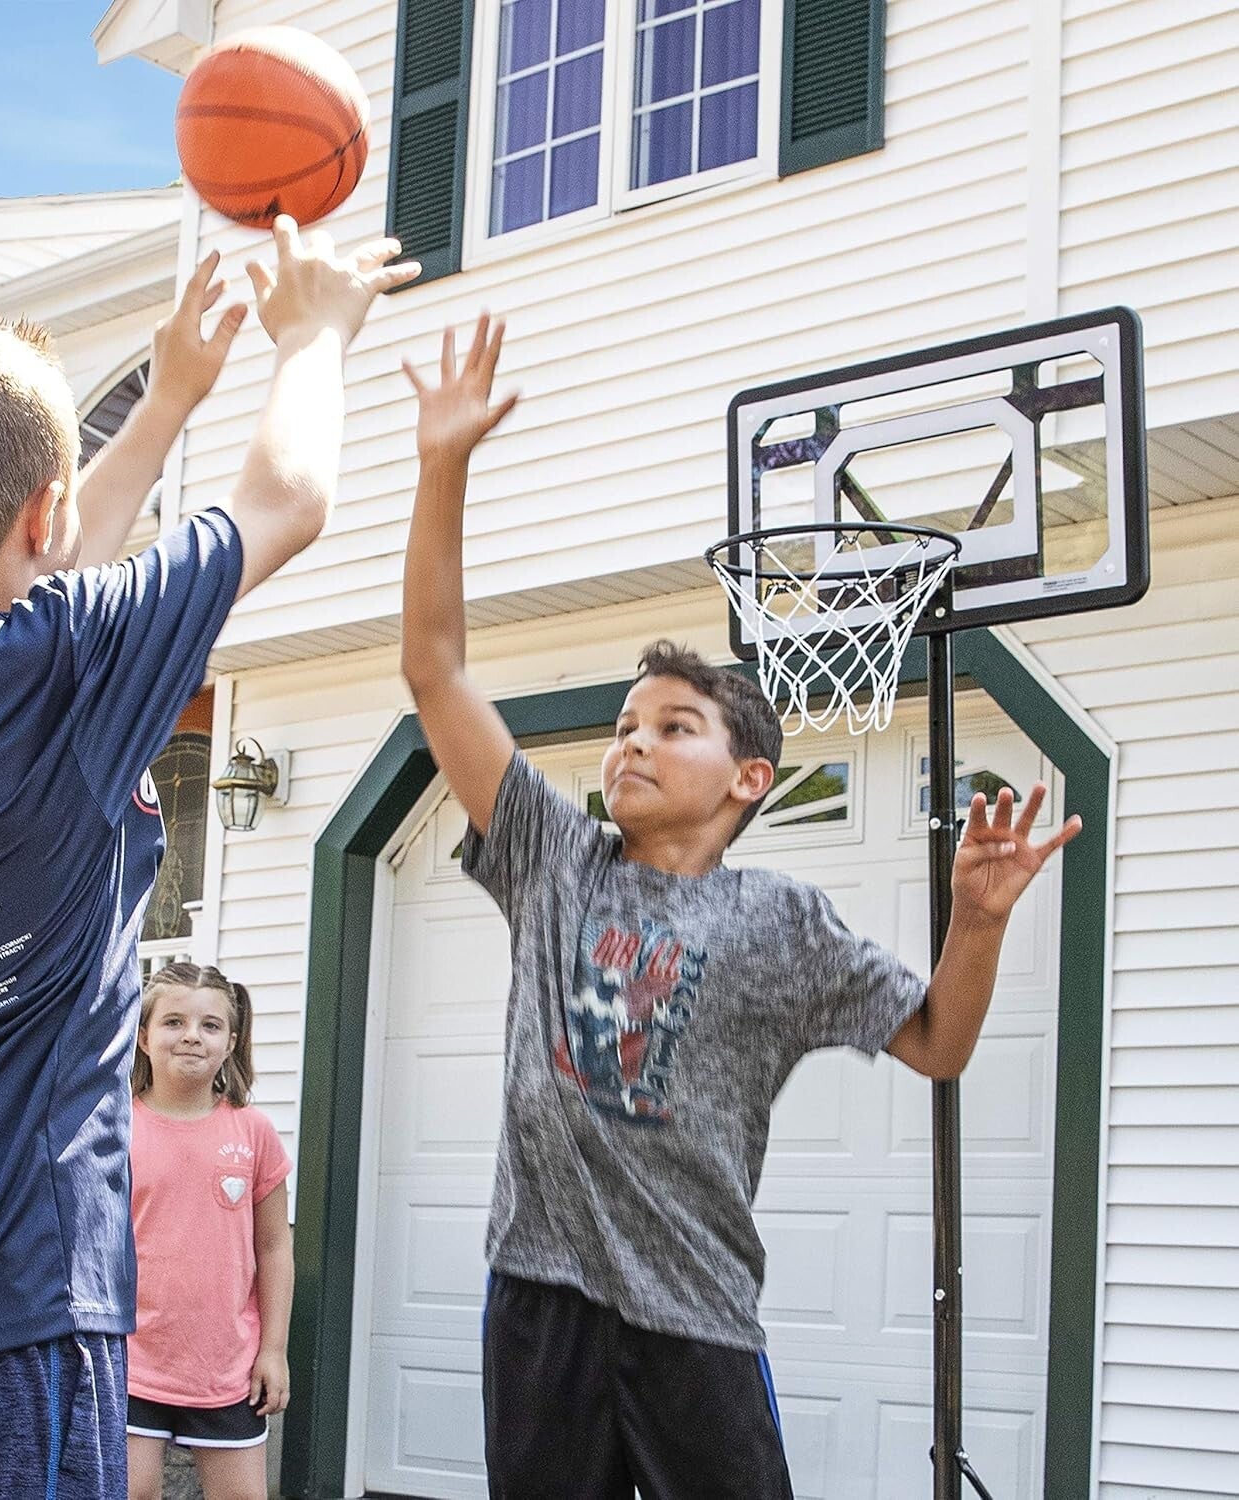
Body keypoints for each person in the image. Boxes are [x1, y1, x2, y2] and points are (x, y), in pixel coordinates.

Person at [398, 316, 1081, 1499]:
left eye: (675, 727)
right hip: (541, 1302)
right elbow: (435, 669)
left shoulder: (780, 922)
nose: (634, 742)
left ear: (749, 777)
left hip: (695, 1318)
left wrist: (976, 921)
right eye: (625, 726)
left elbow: (938, 1043)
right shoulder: (556, 859)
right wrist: (443, 463)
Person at [0, 219, 418, 1500]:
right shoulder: (57, 660)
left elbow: (44, 559)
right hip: (9, 1295)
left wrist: (170, 398)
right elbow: (287, 502)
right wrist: (312, 337)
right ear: (44, 509)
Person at [125, 963, 291, 1500]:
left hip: (226, 1365)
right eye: (174, 1022)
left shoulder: (253, 1131)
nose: (192, 1035)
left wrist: (274, 1350)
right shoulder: (116, 1128)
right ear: (144, 1037)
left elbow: (274, 1246)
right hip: (132, 1360)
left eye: (210, 1025)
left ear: (231, 1043)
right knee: (130, 1490)